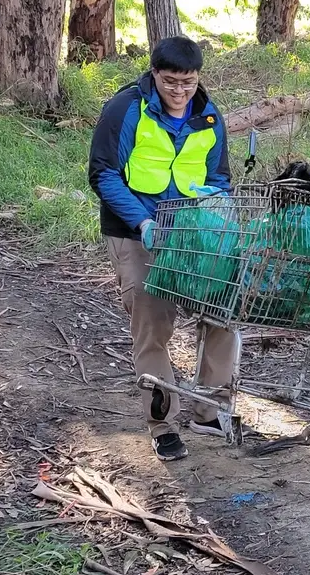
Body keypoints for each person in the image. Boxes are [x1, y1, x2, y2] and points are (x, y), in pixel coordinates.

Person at [88, 36, 235, 462]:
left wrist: (216, 211)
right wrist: (143, 221)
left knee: (223, 317)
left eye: (188, 83)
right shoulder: (125, 109)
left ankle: (209, 409)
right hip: (137, 232)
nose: (179, 91)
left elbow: (219, 178)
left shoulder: (209, 117)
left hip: (193, 235)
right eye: (171, 82)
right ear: (154, 73)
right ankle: (162, 423)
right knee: (153, 328)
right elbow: (103, 174)